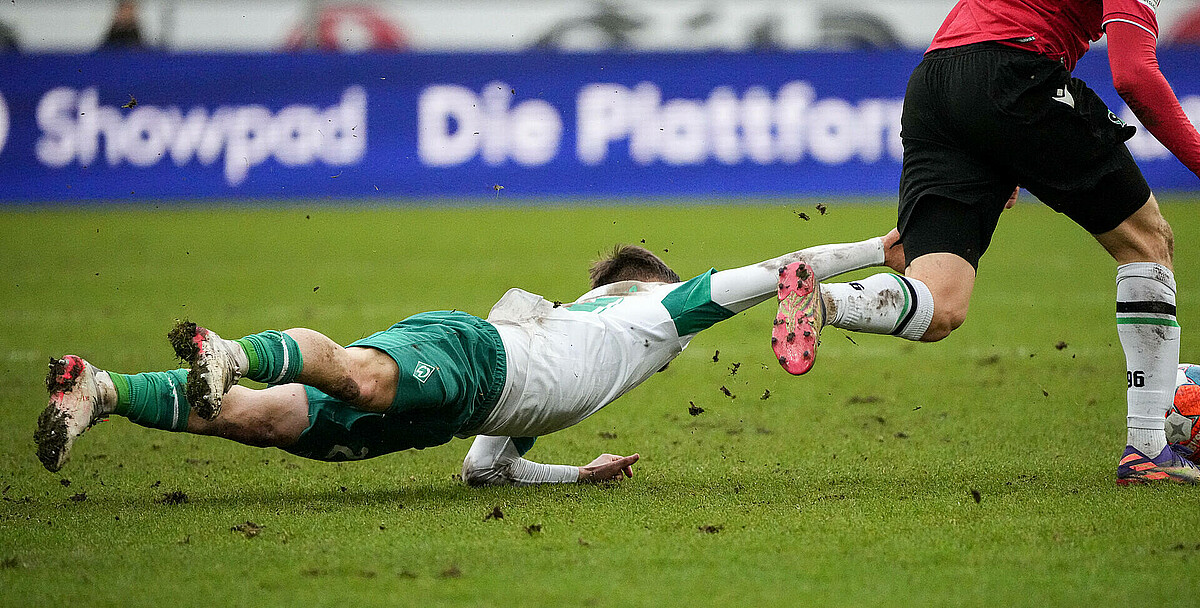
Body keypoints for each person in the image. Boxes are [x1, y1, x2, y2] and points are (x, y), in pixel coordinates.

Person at [35, 235, 904, 485]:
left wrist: (579, 476)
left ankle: (99, 391)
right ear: (647, 285)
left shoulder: (582, 341)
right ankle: (230, 349)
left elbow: (484, 471)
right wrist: (874, 247)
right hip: (472, 357)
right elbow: (754, 279)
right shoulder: (649, 314)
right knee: (360, 370)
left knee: (265, 422)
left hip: (467, 403)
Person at [774, 0, 1200, 484]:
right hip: (1013, 70)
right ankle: (1148, 447)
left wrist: (1001, 144)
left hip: (936, 84)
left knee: (941, 305)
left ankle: (824, 302)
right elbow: (1135, 78)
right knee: (1147, 240)